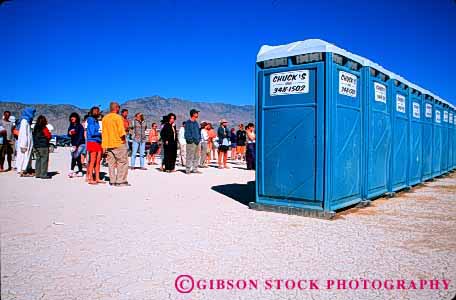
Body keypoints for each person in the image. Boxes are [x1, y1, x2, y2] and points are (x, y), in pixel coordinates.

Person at [102, 102, 129, 186]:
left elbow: (104, 132)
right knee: (122, 162)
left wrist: (104, 145)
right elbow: (121, 130)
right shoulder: (118, 117)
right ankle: (121, 181)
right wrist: (124, 139)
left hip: (108, 144)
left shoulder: (105, 118)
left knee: (111, 163)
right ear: (116, 108)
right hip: (118, 142)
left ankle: (112, 180)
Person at [86, 106, 104, 185]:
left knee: (98, 160)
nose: (97, 112)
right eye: (95, 111)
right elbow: (92, 132)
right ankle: (90, 178)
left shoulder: (96, 121)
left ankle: (97, 177)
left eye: (98, 111)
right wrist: (101, 134)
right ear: (92, 112)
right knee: (92, 160)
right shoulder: (90, 120)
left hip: (98, 141)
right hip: (92, 141)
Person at [16, 107, 36, 177]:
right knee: (24, 156)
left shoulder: (27, 121)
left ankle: (26, 169)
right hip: (25, 144)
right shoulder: (24, 121)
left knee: (26, 157)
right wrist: (24, 145)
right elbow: (24, 134)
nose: (33, 114)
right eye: (33, 113)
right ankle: (23, 171)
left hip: (27, 143)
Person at [32, 115, 52, 179]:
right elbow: (48, 136)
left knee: (38, 160)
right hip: (43, 146)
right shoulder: (44, 128)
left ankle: (37, 173)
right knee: (44, 160)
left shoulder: (35, 128)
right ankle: (43, 174)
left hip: (36, 146)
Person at [68, 112, 85, 178]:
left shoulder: (80, 126)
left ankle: (71, 171)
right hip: (73, 143)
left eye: (73, 117)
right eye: (71, 117)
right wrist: (69, 133)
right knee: (77, 158)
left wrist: (76, 145)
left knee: (74, 156)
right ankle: (80, 171)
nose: (72, 118)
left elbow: (80, 136)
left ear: (76, 118)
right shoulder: (71, 126)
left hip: (80, 143)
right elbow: (68, 135)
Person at [184, 109, 201, 174]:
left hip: (197, 141)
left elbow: (198, 132)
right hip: (191, 142)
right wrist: (190, 140)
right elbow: (187, 133)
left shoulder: (196, 123)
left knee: (197, 156)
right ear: (193, 114)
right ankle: (188, 169)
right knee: (189, 155)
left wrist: (198, 138)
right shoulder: (188, 122)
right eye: (196, 113)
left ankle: (195, 169)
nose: (198, 114)